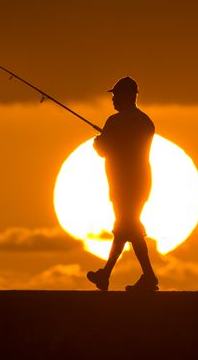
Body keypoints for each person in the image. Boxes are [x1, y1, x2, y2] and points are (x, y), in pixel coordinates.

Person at [86, 76, 158, 291]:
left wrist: (98, 141)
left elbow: (104, 150)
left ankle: (145, 277)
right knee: (126, 228)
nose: (113, 100)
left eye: (116, 95)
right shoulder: (146, 122)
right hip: (141, 182)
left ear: (127, 96)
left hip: (124, 184)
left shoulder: (115, 122)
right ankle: (109, 275)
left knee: (127, 227)